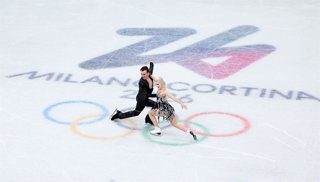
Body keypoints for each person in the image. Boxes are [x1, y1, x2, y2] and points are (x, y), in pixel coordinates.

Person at [148, 76, 197, 140]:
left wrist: (181, 103)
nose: (157, 85)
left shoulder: (165, 91)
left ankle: (157, 129)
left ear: (162, 84)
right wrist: (150, 74)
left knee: (150, 113)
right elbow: (156, 79)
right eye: (156, 84)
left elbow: (173, 97)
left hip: (164, 110)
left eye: (158, 84)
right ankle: (190, 132)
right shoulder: (160, 89)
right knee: (175, 124)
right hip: (167, 110)